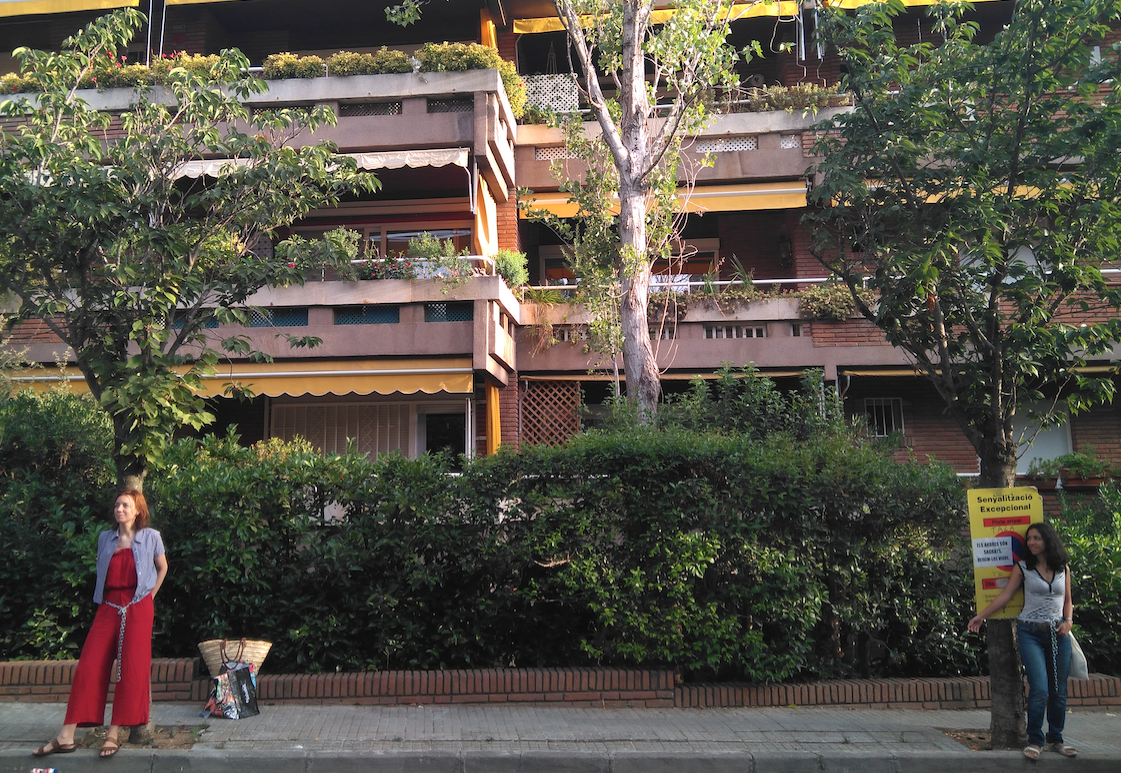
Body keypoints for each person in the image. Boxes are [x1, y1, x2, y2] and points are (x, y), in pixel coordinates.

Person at [33, 490, 168, 759]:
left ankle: (113, 734)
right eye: (117, 505)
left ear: (137, 510)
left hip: (138, 607)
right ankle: (66, 735)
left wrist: (149, 597)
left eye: (125, 505)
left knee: (129, 670)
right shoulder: (105, 538)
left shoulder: (151, 536)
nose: (119, 509)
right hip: (108, 606)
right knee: (89, 666)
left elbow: (162, 567)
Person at [968, 521, 1076, 760]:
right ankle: (1035, 740)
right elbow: (1006, 595)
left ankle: (1056, 739)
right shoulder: (1023, 567)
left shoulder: (1063, 568)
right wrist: (981, 616)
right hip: (1030, 632)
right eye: (1029, 539)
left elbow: (1068, 600)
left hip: (1058, 634)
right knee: (1039, 688)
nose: (1031, 542)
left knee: (1058, 692)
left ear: (1048, 540)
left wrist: (1068, 621)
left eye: (1037, 538)